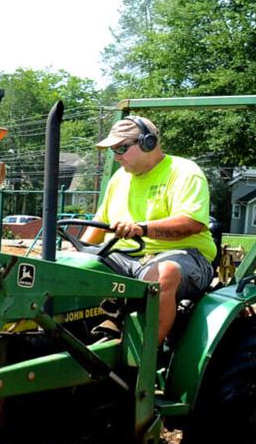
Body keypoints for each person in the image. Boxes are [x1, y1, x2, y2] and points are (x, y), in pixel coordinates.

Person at [79, 116, 216, 345]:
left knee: (162, 275)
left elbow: (192, 223)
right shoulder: (119, 178)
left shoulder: (183, 171)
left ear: (148, 142)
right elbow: (99, 223)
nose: (116, 155)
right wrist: (76, 257)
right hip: (124, 256)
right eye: (113, 149)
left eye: (121, 147)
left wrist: (142, 228)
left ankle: (143, 358)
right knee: (71, 271)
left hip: (184, 255)